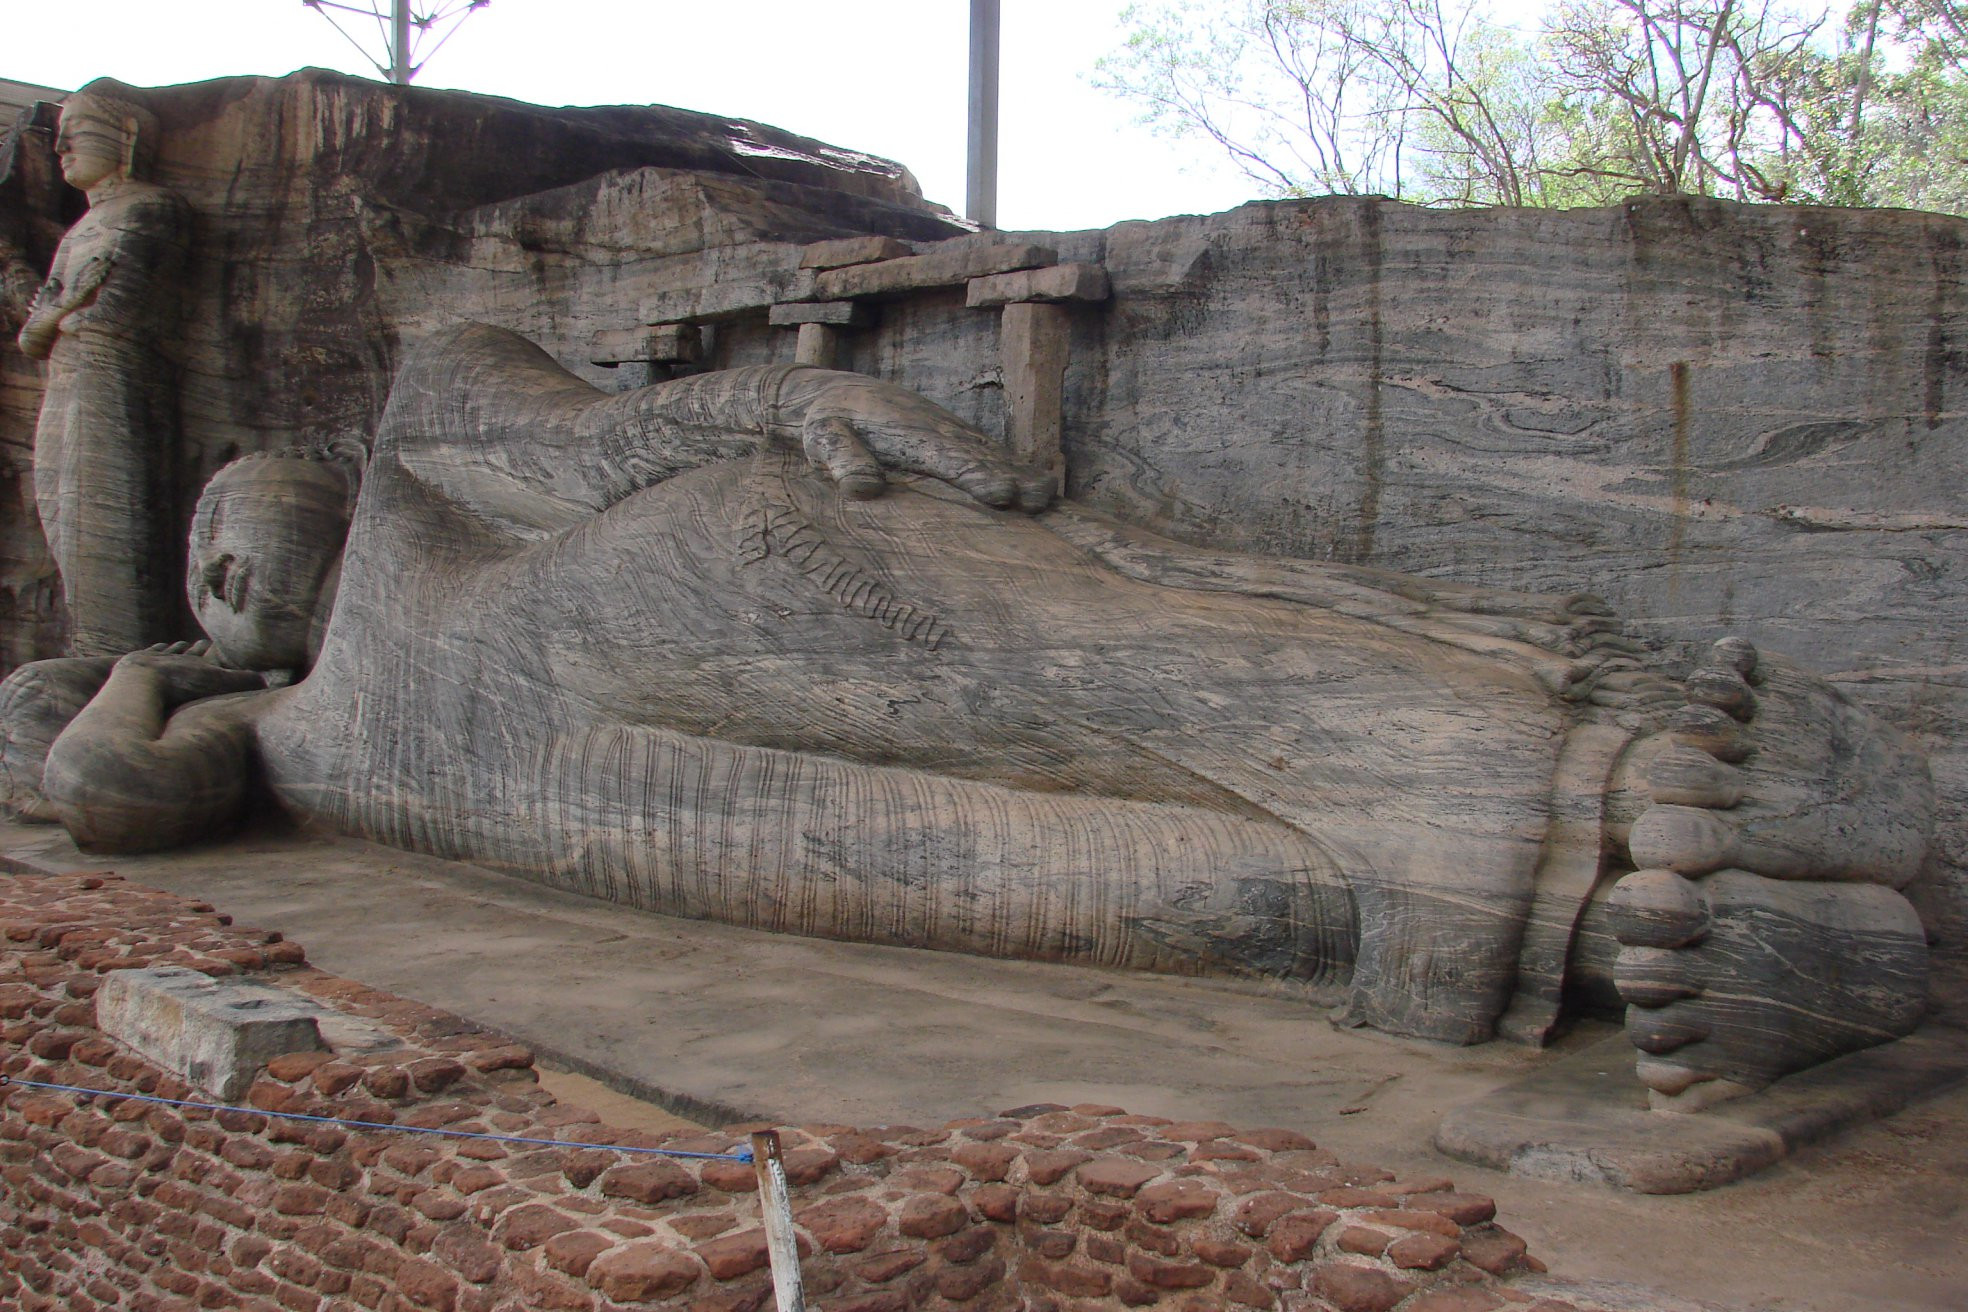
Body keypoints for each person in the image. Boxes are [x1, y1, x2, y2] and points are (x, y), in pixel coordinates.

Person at [5, 322, 1935, 1108]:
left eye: (223, 515)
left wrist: (793, 399)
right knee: (1106, 881)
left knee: (1128, 674)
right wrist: (160, 670)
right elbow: (107, 795)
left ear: (300, 469)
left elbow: (607, 438)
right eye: (194, 581)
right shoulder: (289, 732)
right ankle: (1636, 939)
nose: (218, 563)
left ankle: (1636, 771)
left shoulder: (425, 434)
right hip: (646, 800)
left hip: (695, 589)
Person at [15, 80, 190, 655]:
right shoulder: (78, 233)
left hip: (114, 381)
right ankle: (92, 653)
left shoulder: (152, 209)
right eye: (58, 136)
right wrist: (64, 309)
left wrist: (60, 315)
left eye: (77, 132)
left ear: (127, 136)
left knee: (106, 522)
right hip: (63, 384)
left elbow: (113, 318)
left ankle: (122, 658)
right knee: (60, 518)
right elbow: (32, 337)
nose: (61, 147)